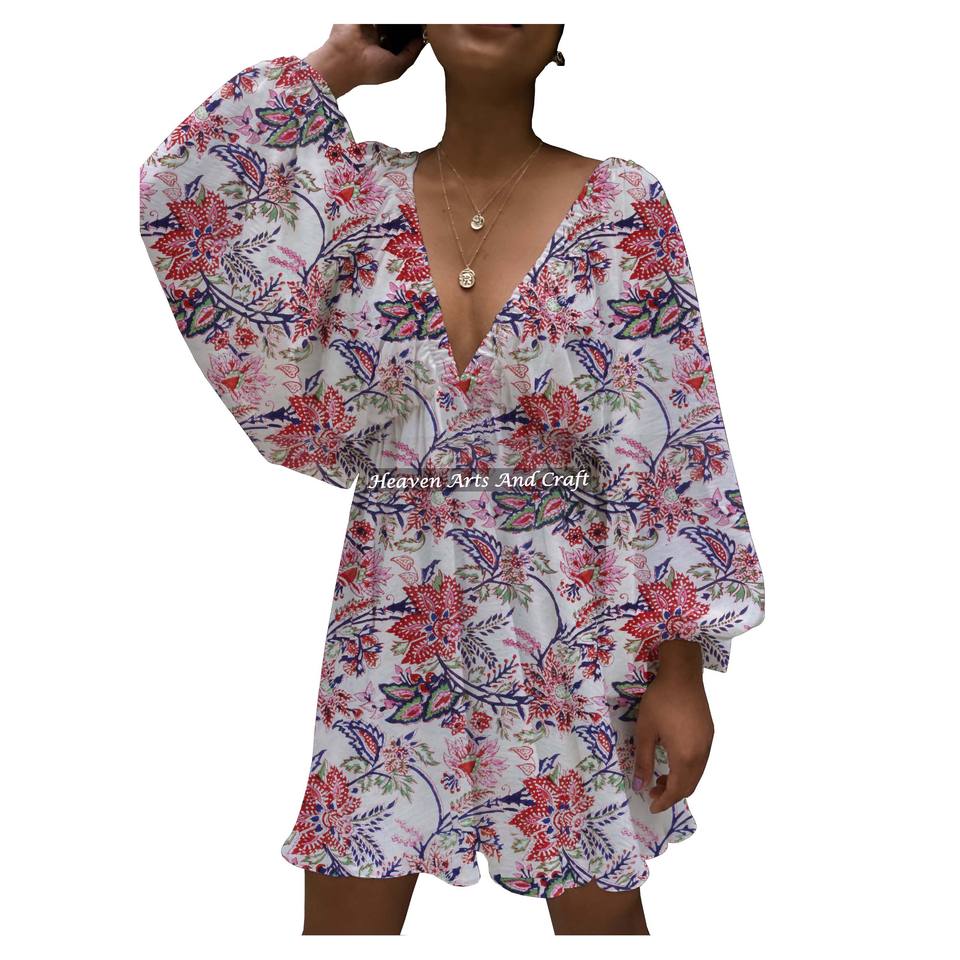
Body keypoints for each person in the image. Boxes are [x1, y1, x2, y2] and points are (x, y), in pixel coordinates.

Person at [138, 23, 765, 936]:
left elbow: (676, 446)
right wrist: (338, 65)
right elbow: (185, 188)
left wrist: (681, 669)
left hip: (578, 623)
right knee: (346, 917)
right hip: (393, 614)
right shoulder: (352, 198)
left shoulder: (624, 204)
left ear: (560, 31)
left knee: (598, 919)